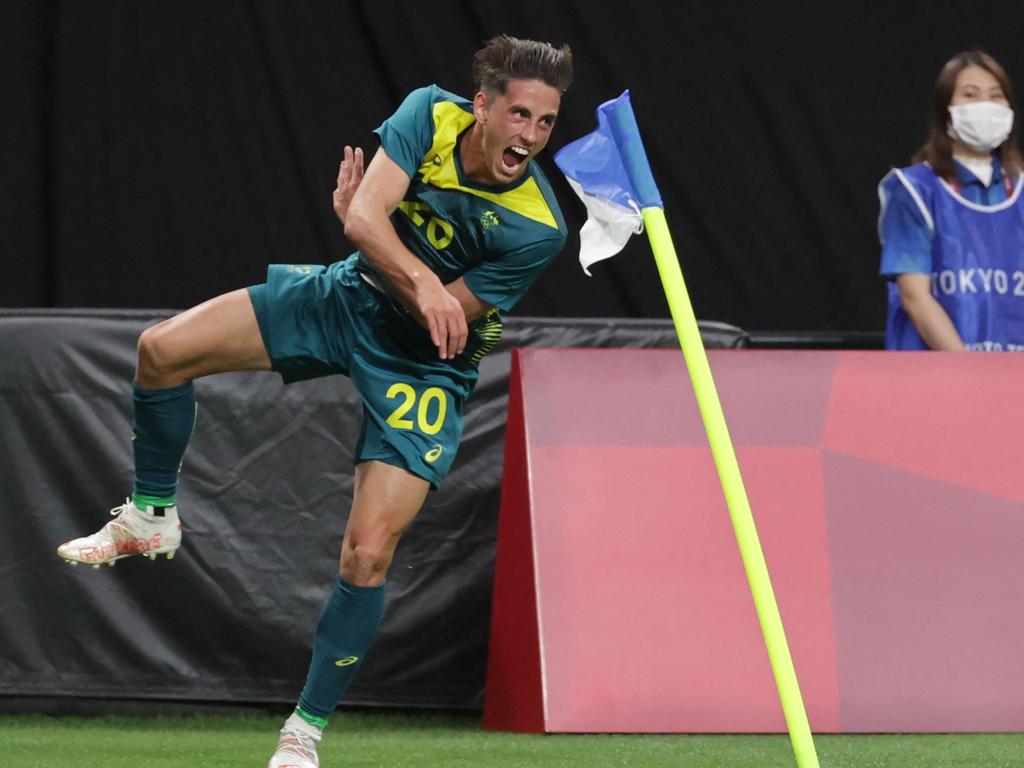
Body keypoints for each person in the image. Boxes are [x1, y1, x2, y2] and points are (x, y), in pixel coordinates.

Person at [56, 34, 572, 767]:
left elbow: (436, 312)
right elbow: (361, 222)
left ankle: (303, 735)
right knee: (159, 352)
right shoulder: (430, 113)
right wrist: (388, 250)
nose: (529, 136)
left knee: (366, 555)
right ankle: (151, 515)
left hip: (425, 368)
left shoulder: (537, 226)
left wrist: (385, 247)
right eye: (519, 114)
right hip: (343, 300)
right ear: (483, 105)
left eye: (546, 123)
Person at [878, 50, 1024, 351]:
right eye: (970, 95)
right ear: (946, 111)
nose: (985, 105)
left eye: (996, 96)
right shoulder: (915, 191)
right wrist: (966, 373)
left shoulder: (1019, 190)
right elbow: (915, 298)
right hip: (936, 381)